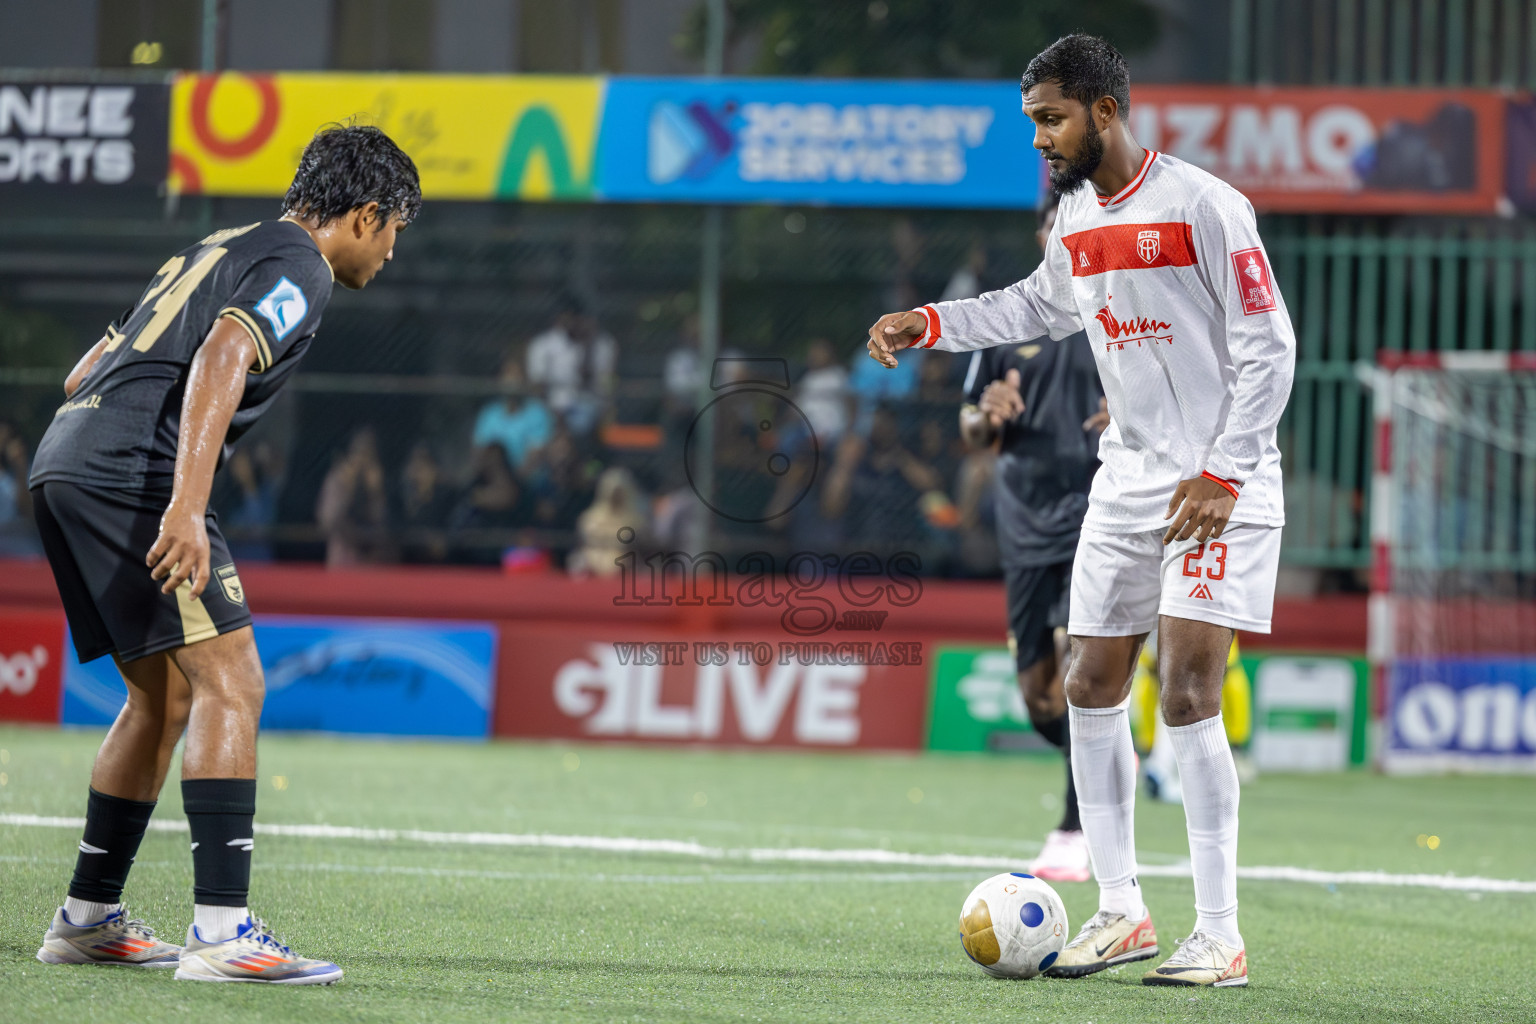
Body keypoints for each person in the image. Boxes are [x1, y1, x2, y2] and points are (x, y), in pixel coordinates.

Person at [867, 34, 1294, 989]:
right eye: (1032, 122)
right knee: (1089, 682)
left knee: (1186, 692)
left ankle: (1219, 934)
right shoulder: (1072, 220)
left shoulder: (1206, 206)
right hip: (1129, 480)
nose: (1039, 139)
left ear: (1104, 110)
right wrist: (928, 323)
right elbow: (1034, 308)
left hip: (1219, 489)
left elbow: (1272, 348)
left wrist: (1223, 475)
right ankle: (1122, 910)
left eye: (1051, 118)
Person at [27, 124, 421, 985]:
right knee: (234, 681)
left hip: (65, 459)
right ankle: (222, 933)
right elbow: (223, 354)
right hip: (134, 473)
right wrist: (188, 505)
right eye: (396, 230)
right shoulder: (304, 267)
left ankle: (86, 919)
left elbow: (86, 368)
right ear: (363, 216)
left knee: (163, 698)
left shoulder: (218, 244)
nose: (393, 253)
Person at [958, 190, 1107, 884]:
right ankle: (1107, 762)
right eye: (1057, 229)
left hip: (1097, 517)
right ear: (1043, 234)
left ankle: (1076, 829)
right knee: (1040, 698)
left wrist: (1131, 414)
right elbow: (970, 430)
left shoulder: (1121, 317)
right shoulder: (1003, 321)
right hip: (1023, 523)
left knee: (1082, 676)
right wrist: (987, 415)